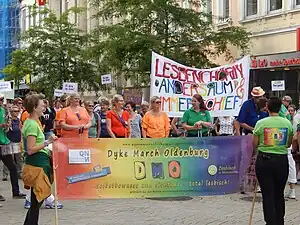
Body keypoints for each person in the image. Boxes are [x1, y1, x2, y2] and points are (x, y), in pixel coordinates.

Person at [253, 97, 293, 225]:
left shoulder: (261, 123)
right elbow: (288, 143)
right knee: (279, 193)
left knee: (268, 194)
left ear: (268, 108)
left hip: (264, 160)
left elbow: (254, 143)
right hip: (281, 160)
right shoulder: (287, 123)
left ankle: (270, 222)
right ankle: (279, 221)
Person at [22, 93, 58, 225]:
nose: (45, 108)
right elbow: (30, 149)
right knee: (37, 200)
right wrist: (47, 142)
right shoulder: (31, 124)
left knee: (36, 201)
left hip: (39, 164)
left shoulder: (33, 122)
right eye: (42, 105)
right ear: (34, 107)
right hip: (37, 166)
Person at [0, 94, 25, 201]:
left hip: (4, 142)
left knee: (13, 168)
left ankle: (16, 192)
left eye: (1, 99)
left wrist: (6, 126)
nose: (1, 101)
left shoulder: (3, 110)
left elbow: (7, 124)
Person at [3, 106, 23, 180]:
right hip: (9, 141)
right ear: (11, 112)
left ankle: (19, 173)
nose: (16, 112)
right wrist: (8, 125)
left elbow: (21, 130)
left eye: (17, 111)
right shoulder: (8, 120)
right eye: (15, 111)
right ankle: (5, 174)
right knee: (8, 159)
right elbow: (5, 131)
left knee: (19, 159)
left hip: (17, 141)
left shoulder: (18, 120)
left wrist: (21, 140)